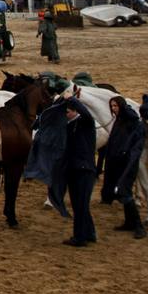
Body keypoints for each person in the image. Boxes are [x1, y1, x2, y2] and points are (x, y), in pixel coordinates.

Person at [101, 95, 147, 238]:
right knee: (122, 194)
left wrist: (127, 160)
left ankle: (139, 226)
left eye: (116, 106)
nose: (114, 109)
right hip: (116, 163)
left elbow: (135, 146)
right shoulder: (119, 121)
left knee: (125, 194)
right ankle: (129, 223)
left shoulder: (132, 123)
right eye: (112, 106)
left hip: (127, 165)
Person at [57, 95, 98, 246]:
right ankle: (90, 233)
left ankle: (79, 237)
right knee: (79, 204)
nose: (65, 115)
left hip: (84, 170)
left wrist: (72, 100)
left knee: (80, 204)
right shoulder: (68, 126)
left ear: (75, 112)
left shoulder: (85, 122)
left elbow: (86, 113)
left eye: (68, 112)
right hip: (74, 169)